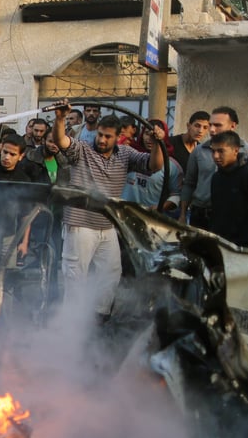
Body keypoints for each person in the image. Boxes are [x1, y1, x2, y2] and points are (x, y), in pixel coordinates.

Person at [53, 104, 165, 322]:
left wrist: (157, 143)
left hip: (107, 224)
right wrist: (60, 119)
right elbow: (61, 141)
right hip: (80, 223)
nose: (102, 140)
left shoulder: (126, 154)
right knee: (76, 276)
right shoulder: (83, 149)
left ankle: (99, 320)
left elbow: (155, 165)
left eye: (108, 137)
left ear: (118, 136)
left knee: (111, 274)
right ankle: (70, 324)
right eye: (100, 135)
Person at [180, 106, 248, 228]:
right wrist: (182, 215)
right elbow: (189, 183)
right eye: (211, 125)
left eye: (218, 125)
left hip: (234, 219)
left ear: (233, 126)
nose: (212, 130)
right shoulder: (199, 151)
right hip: (200, 216)